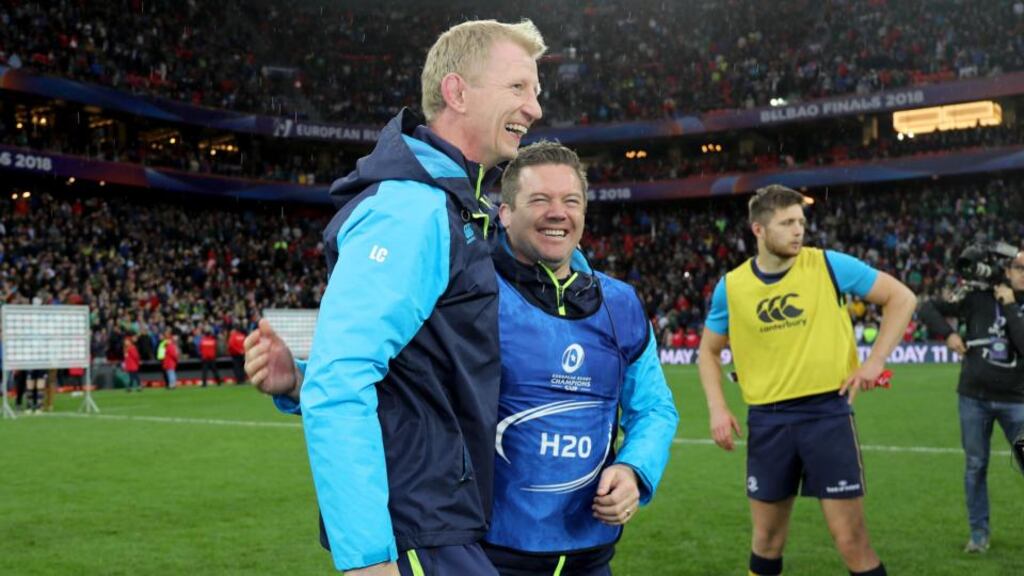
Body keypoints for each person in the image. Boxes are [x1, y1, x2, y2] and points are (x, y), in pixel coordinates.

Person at [245, 19, 546, 575]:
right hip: (415, 530)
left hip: (438, 519)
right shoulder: (413, 209)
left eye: (536, 91)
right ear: (457, 92)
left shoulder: (448, 204)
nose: (535, 108)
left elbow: (415, 373)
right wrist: (368, 559)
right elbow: (343, 383)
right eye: (518, 88)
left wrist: (299, 378)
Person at [697, 185, 916, 576]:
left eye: (801, 221)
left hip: (826, 415)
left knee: (851, 540)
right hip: (767, 420)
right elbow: (708, 352)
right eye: (786, 223)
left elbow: (901, 298)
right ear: (759, 230)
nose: (798, 230)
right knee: (765, 541)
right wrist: (717, 407)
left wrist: (874, 362)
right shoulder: (731, 287)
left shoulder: (829, 265)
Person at [917, 249, 1024, 553]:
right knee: (975, 466)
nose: (1022, 273)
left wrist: (1012, 306)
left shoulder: (1013, 302)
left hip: (1017, 403)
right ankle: (979, 534)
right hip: (973, 400)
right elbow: (927, 308)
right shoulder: (977, 297)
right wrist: (948, 334)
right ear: (1008, 269)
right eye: (1018, 267)